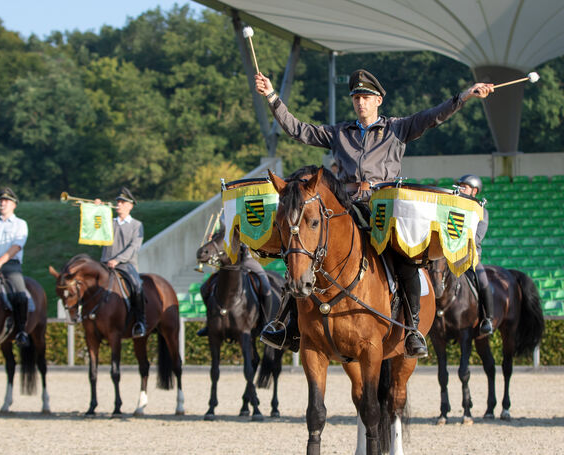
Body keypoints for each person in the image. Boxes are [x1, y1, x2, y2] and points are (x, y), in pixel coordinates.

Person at [255, 68, 494, 357]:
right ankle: (290, 325)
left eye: (366, 97)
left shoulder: (398, 128)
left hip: (384, 208)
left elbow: (434, 116)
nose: (361, 102)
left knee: (405, 259)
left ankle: (412, 330)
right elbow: (298, 129)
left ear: (379, 100)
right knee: (302, 251)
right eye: (356, 97)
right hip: (345, 207)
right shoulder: (339, 132)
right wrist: (271, 95)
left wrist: (466, 95)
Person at [0, 187, 30, 347]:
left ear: (14, 205)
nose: (2, 203)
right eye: (1, 200)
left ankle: (21, 331)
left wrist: (0, 262)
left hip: (10, 265)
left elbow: (16, 246)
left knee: (20, 294)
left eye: (6, 201)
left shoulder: (20, 224)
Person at [197, 242, 273, 337]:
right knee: (204, 288)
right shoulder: (224, 227)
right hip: (228, 262)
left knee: (266, 288)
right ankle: (209, 324)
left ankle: (265, 324)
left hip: (248, 259)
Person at [98, 187, 146, 338]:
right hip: (105, 264)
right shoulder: (108, 222)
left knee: (137, 286)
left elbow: (134, 247)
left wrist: (117, 260)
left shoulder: (136, 225)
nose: (118, 204)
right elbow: (95, 232)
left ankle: (140, 321)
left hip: (126, 265)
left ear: (130, 206)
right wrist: (97, 211)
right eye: (118, 202)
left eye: (123, 202)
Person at [457, 174, 493, 335]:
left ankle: (488, 318)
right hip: (449, 255)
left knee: (483, 281)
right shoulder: (454, 207)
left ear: (474, 191)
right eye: (460, 186)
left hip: (470, 256)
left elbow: (477, 236)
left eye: (464, 186)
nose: (460, 188)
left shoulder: (481, 211)